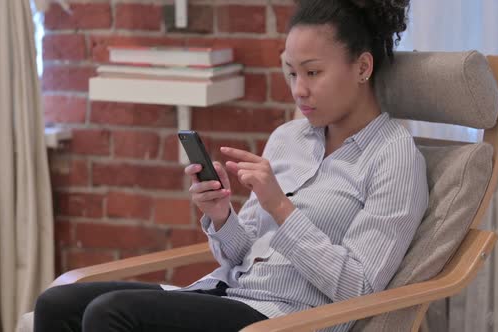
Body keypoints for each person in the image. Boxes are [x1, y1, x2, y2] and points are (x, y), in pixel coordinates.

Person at [33, 0, 428, 331]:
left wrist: (282, 208)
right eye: (291, 73)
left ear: (362, 68)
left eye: (313, 72)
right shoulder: (289, 138)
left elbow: (360, 289)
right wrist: (221, 216)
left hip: (284, 319)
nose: (299, 90)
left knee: (111, 314)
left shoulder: (394, 156)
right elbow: (240, 255)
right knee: (58, 304)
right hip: (228, 293)